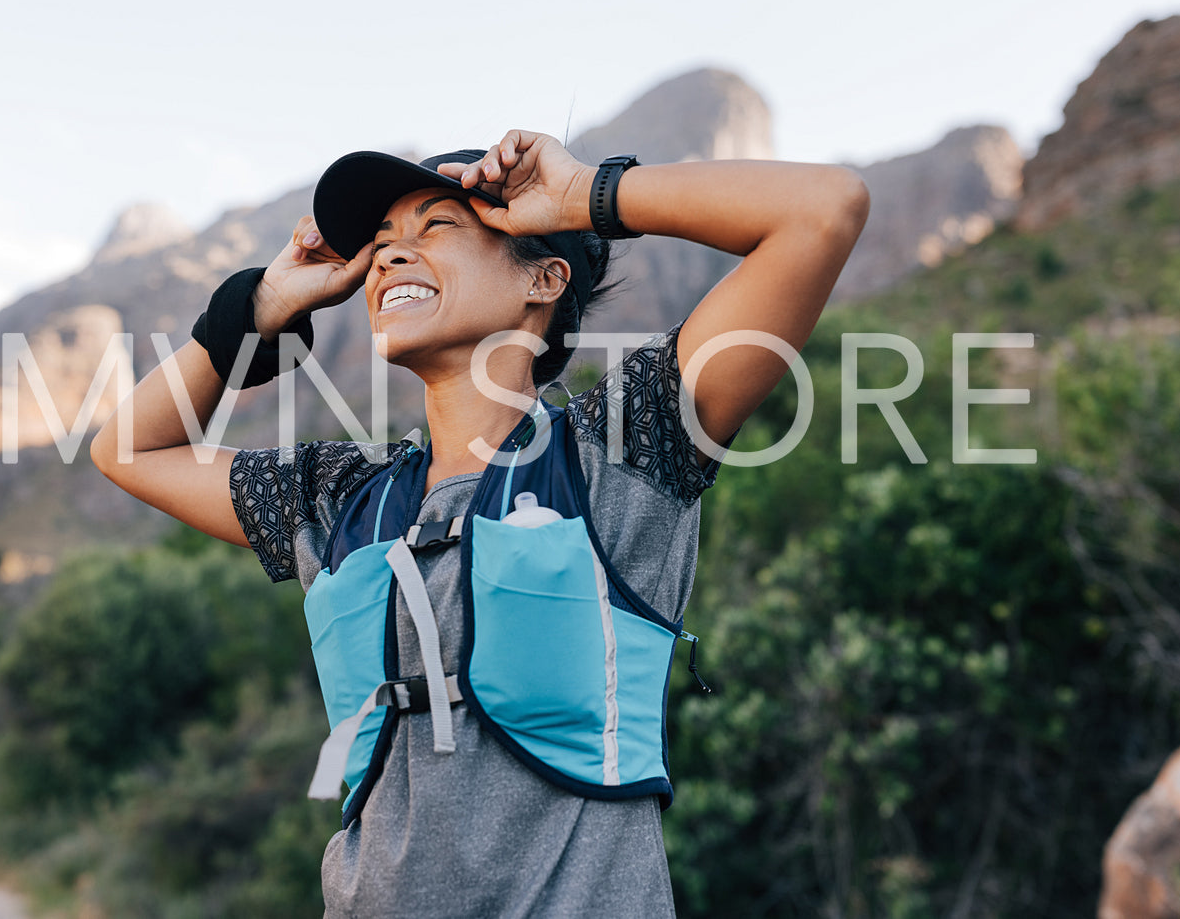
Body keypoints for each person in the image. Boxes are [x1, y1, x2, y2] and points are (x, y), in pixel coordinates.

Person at [90, 129, 869, 917]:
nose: (390, 256)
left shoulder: (623, 448)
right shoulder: (337, 498)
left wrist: (582, 197)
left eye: (436, 227)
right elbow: (127, 448)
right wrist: (259, 306)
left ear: (543, 279)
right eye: (382, 242)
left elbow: (821, 208)